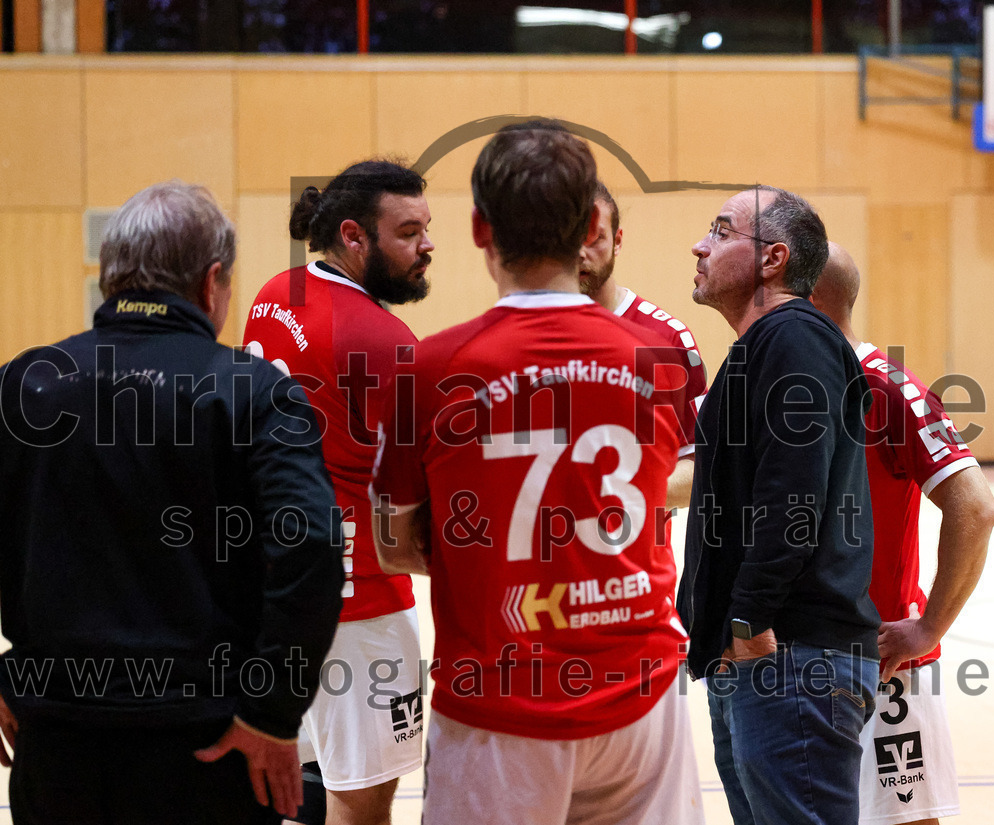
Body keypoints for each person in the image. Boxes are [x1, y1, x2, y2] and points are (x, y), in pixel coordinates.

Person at [370, 120, 705, 825]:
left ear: (478, 229)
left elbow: (393, 545)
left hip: (499, 702)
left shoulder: (427, 370)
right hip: (644, 693)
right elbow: (684, 483)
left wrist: (486, 559)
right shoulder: (658, 358)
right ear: (590, 227)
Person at [0, 181, 343, 824]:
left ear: (111, 278)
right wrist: (271, 712)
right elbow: (313, 544)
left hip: (56, 745)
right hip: (209, 749)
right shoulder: (250, 389)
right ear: (212, 282)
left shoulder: (24, 385)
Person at [678, 185, 881, 825]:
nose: (699, 244)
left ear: (773, 259)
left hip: (788, 654)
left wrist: (747, 621)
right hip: (761, 655)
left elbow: (793, 494)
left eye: (720, 230)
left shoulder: (796, 338)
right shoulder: (763, 346)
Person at [243, 160, 433, 825]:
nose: (427, 246)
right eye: (408, 232)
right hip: (364, 609)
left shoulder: (276, 291)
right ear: (354, 237)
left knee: (296, 785)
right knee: (363, 801)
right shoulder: (383, 341)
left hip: (277, 591)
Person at [811, 242, 994, 825]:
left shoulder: (885, 387)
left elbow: (977, 508)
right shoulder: (756, 379)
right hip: (785, 658)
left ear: (811, 299)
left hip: (881, 662)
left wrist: (929, 627)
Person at [579, 181, 707, 508]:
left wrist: (613, 495)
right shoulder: (528, 333)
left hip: (638, 550)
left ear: (618, 241)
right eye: (570, 237)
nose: (580, 252)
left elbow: (700, 466)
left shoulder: (667, 338)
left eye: (595, 237)